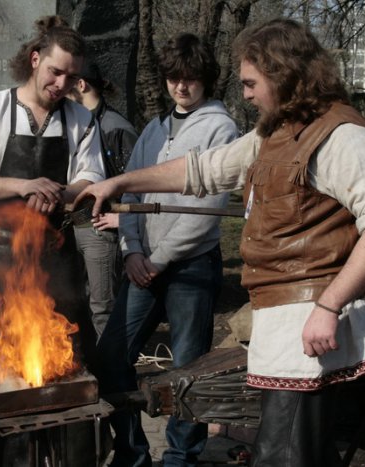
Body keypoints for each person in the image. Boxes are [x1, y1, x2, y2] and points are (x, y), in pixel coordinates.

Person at [76, 18, 365, 467]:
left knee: (282, 456)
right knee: (303, 452)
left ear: (283, 72)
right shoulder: (276, 133)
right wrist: (119, 182)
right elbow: (201, 170)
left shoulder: (341, 136)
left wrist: (329, 307)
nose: (247, 94)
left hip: (307, 325)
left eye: (252, 83)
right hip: (282, 323)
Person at [96, 33, 238, 467]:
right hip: (142, 265)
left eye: (191, 79)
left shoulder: (221, 127)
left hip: (190, 266)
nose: (181, 86)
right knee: (110, 357)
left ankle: (180, 459)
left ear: (205, 80)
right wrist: (132, 250)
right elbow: (131, 195)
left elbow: (208, 208)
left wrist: (160, 258)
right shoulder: (154, 129)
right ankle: (134, 453)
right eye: (174, 77)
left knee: (188, 370)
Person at [0, 15, 105, 383]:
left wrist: (59, 193)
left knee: (69, 372)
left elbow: (91, 179)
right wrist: (22, 186)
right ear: (35, 59)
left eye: (71, 77)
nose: (61, 83)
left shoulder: (82, 119)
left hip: (55, 267)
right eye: (55, 71)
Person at [68, 58, 138, 338]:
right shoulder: (71, 122)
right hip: (73, 228)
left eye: (68, 81)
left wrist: (123, 218)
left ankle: (110, 369)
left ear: (81, 84)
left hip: (100, 231)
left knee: (102, 307)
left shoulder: (115, 127)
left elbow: (137, 181)